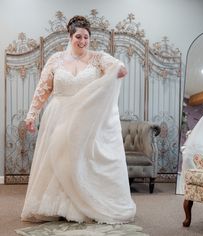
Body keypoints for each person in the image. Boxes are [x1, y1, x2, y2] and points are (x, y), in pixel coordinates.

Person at [21, 15, 136, 224]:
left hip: (85, 118)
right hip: (59, 116)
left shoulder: (98, 58)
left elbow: (122, 70)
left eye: (86, 37)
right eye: (78, 37)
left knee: (80, 160)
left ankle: (79, 206)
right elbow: (43, 89)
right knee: (59, 158)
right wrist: (31, 115)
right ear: (70, 36)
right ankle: (58, 207)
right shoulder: (55, 60)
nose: (82, 41)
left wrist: (114, 67)